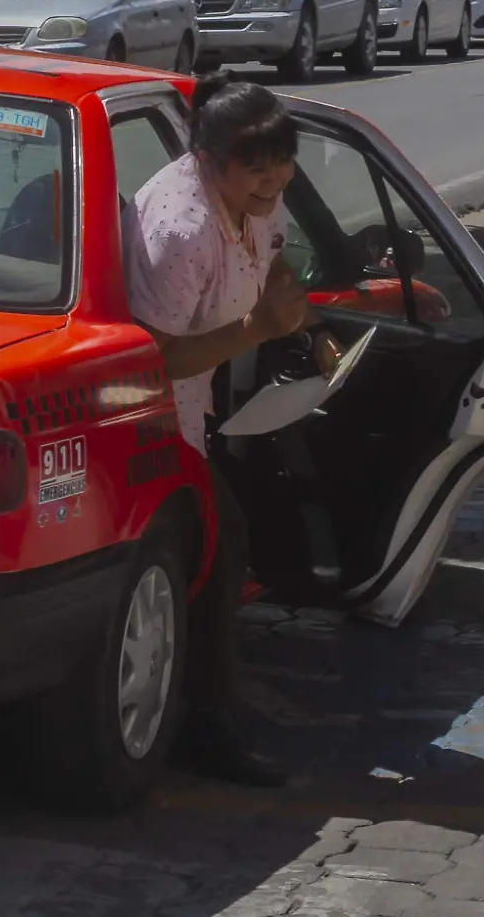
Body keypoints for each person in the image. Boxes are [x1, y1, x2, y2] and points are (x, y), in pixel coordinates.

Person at [124, 72, 335, 788]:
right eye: (256, 168)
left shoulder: (260, 206)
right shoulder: (179, 231)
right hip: (146, 419)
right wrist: (258, 328)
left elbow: (271, 272)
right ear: (209, 163)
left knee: (220, 543)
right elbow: (156, 357)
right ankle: (203, 724)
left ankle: (194, 706)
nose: (273, 180)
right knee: (218, 544)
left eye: (282, 164)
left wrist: (308, 333)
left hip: (198, 406)